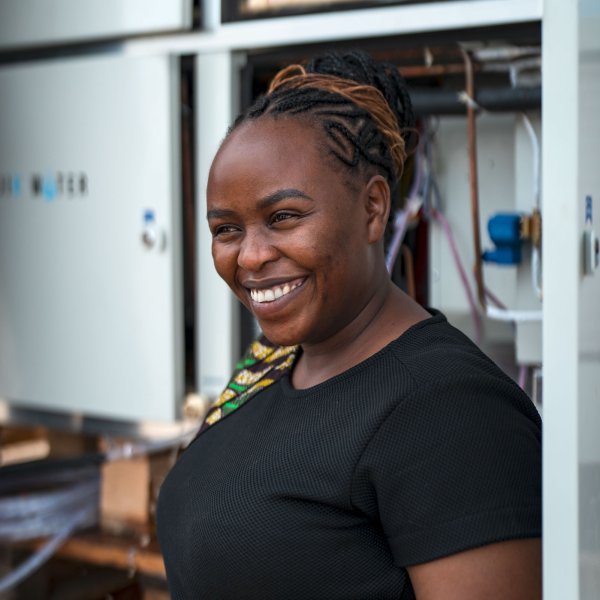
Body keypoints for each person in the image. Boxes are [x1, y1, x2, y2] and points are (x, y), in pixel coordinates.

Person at [157, 50, 542, 599]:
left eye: (283, 217)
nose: (250, 256)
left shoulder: (451, 411)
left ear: (374, 208)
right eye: (226, 228)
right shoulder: (274, 359)